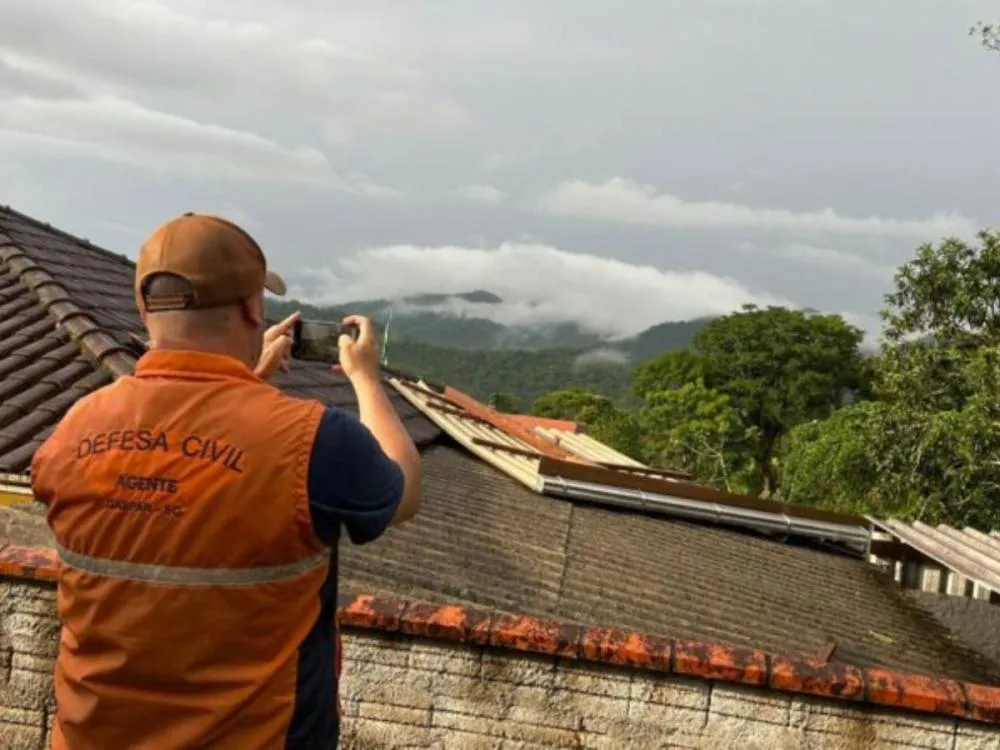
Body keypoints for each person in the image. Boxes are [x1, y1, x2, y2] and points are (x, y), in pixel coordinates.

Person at [30, 212, 422, 750]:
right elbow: (401, 490)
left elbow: (169, 470)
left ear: (143, 309)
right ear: (252, 308)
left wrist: (244, 383)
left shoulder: (74, 430)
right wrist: (367, 381)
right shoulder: (316, 442)